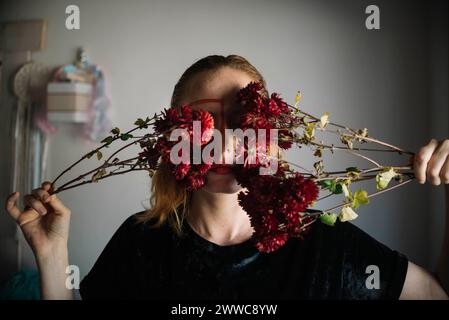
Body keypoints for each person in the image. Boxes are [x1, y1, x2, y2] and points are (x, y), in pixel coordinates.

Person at [5, 55, 449, 300]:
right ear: (171, 137)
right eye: (203, 121)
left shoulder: (326, 245)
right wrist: (52, 254)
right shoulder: (140, 243)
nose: (223, 140)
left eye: (243, 118)